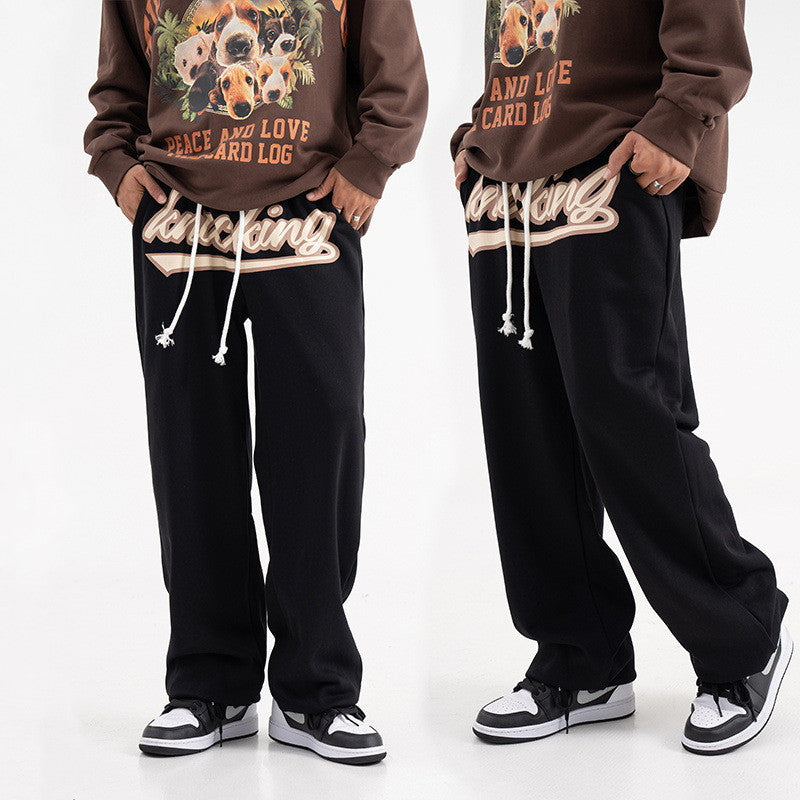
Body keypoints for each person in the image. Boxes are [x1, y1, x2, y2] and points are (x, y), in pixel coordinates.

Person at [85, 0, 426, 764]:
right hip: (177, 218)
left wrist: (371, 163)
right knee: (190, 452)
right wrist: (118, 166)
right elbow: (119, 80)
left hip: (309, 206)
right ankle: (210, 685)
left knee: (320, 442)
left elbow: (395, 66)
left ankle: (315, 690)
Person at [452, 0, 790, 755]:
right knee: (527, 429)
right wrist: (477, 135)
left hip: (613, 156)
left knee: (631, 412)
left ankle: (744, 634)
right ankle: (583, 656)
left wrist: (682, 116)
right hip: (506, 178)